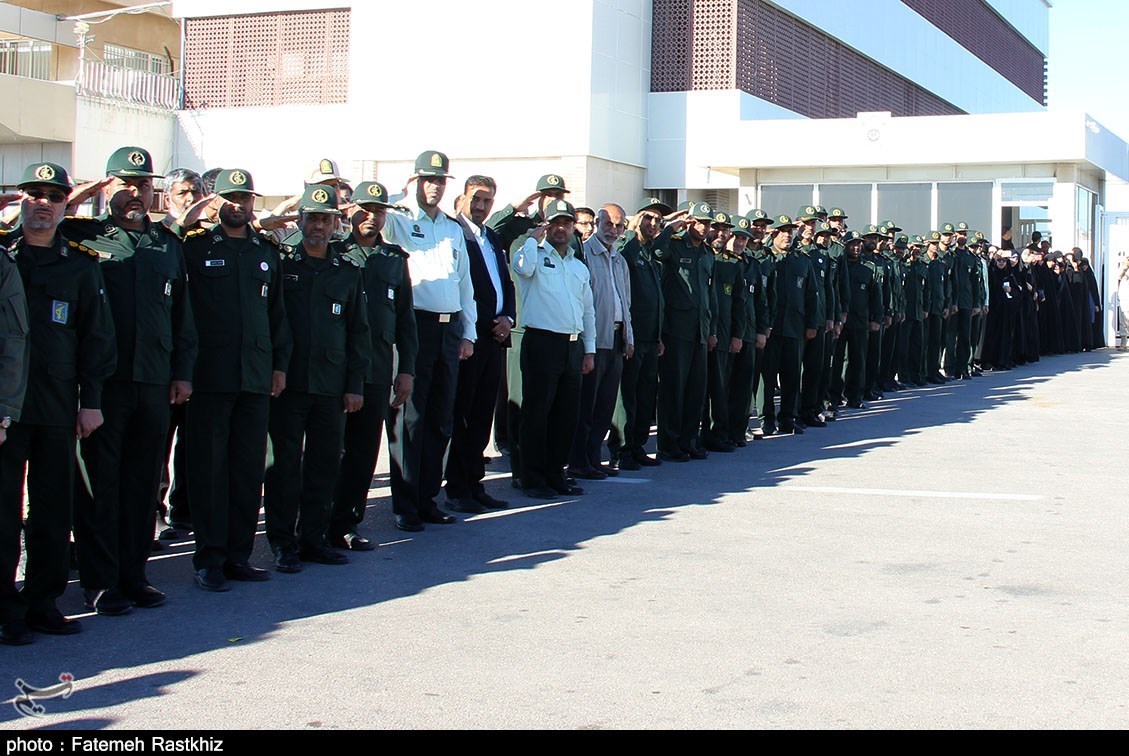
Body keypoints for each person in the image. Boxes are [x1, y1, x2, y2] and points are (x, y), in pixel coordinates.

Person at [66, 146, 198, 616]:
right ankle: (100, 581)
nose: (135, 193)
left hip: (154, 382)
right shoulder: (84, 236)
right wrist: (74, 199)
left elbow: (182, 317)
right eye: (124, 184)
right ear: (108, 188)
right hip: (104, 384)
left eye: (142, 185)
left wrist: (182, 373)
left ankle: (134, 575)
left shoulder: (167, 244)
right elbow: (30, 231)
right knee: (101, 487)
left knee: (143, 485)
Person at [0, 162, 116, 643]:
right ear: (20, 201)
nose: (43, 203)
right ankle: (5, 609)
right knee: (3, 511)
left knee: (51, 510)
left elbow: (96, 338)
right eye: (34, 194)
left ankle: (42, 601)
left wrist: (91, 401)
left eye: (53, 195)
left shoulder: (81, 264)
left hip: (56, 404)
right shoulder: (3, 255)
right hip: (6, 408)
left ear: (67, 204)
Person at [182, 168, 292, 592]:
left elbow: (277, 315)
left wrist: (279, 365)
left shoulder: (265, 251)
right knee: (210, 470)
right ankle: (209, 558)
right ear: (216, 202)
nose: (238, 204)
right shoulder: (196, 248)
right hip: (211, 376)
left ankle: (238, 555)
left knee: (247, 470)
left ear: (252, 203)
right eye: (230, 197)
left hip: (256, 376)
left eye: (244, 198)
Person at [264, 185, 369, 573]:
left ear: (336, 224)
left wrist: (354, 385)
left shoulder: (347, 272)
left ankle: (314, 538)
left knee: (324, 466)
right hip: (288, 383)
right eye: (312, 219)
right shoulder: (282, 263)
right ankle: (282, 542)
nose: (319, 226)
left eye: (326, 219)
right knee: (283, 467)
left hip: (330, 384)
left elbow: (358, 332)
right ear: (301, 221)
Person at [381, 150, 476, 532]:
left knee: (440, 419)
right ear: (415, 181)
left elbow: (465, 283)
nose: (434, 186)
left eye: (439, 181)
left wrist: (468, 332)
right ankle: (405, 504)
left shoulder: (452, 228)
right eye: (428, 180)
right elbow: (375, 213)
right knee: (410, 420)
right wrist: (400, 193)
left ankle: (427, 499)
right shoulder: (400, 220)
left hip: (449, 328)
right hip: (415, 325)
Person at [329, 182, 417, 550]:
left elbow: (405, 320)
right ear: (350, 211)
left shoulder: (393, 259)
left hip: (377, 369)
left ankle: (347, 523)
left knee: (364, 453)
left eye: (379, 211)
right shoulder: (333, 252)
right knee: (327, 451)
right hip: (334, 369)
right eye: (365, 209)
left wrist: (406, 370)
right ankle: (315, 523)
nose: (372, 216)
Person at [511, 200, 595, 500]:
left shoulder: (577, 266)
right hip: (542, 342)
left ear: (573, 227)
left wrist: (590, 350)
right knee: (537, 414)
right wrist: (533, 240)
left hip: (572, 345)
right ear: (546, 225)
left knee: (565, 415)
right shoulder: (533, 254)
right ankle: (532, 478)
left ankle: (555, 473)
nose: (561, 229)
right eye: (555, 223)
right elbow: (522, 268)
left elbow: (588, 311)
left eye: (566, 223)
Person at [443, 176, 514, 514]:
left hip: (496, 337)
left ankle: (475, 483)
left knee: (484, 413)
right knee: (464, 415)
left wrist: (508, 317)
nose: (481, 206)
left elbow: (505, 283)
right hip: (471, 337)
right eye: (476, 199)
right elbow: (464, 288)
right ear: (463, 198)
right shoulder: (455, 232)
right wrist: (490, 321)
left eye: (487, 201)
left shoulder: (492, 237)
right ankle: (457, 488)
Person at [157, 168, 204, 540]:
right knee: (158, 439)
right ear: (167, 197)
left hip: (199, 356)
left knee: (193, 440)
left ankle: (184, 510)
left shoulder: (209, 238)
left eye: (196, 192)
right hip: (162, 356)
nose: (190, 199)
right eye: (183, 192)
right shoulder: (159, 235)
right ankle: (153, 509)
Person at [570, 203, 632, 478]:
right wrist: (587, 346)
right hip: (594, 340)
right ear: (597, 223)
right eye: (608, 224)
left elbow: (625, 302)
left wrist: (629, 337)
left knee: (605, 406)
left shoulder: (620, 260)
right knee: (587, 405)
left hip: (617, 338)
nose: (613, 230)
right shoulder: (585, 254)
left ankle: (594, 458)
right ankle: (579, 460)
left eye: (619, 226)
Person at [652, 201, 716, 461]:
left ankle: (689, 440)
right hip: (677, 329)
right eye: (699, 222)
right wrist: (670, 228)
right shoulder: (676, 245)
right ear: (690, 222)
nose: (703, 227)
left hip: (700, 330)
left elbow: (710, 295)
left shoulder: (708, 253)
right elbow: (657, 251)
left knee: (695, 390)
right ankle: (669, 444)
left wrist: (711, 330)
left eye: (707, 223)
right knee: (673, 389)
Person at [612, 199, 668, 469]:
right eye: (648, 218)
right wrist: (631, 232)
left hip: (650, 337)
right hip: (633, 336)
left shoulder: (648, 252)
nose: (653, 224)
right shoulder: (628, 247)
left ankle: (637, 446)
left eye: (657, 220)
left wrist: (659, 336)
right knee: (628, 397)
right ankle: (621, 449)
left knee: (646, 396)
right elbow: (623, 256)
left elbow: (655, 299)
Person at [700, 211, 745, 452]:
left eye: (725, 229)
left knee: (720, 387)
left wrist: (738, 334)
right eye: (716, 228)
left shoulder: (733, 263)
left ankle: (717, 433)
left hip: (724, 334)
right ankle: (697, 434)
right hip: (699, 331)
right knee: (698, 387)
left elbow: (739, 302)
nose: (720, 233)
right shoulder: (701, 256)